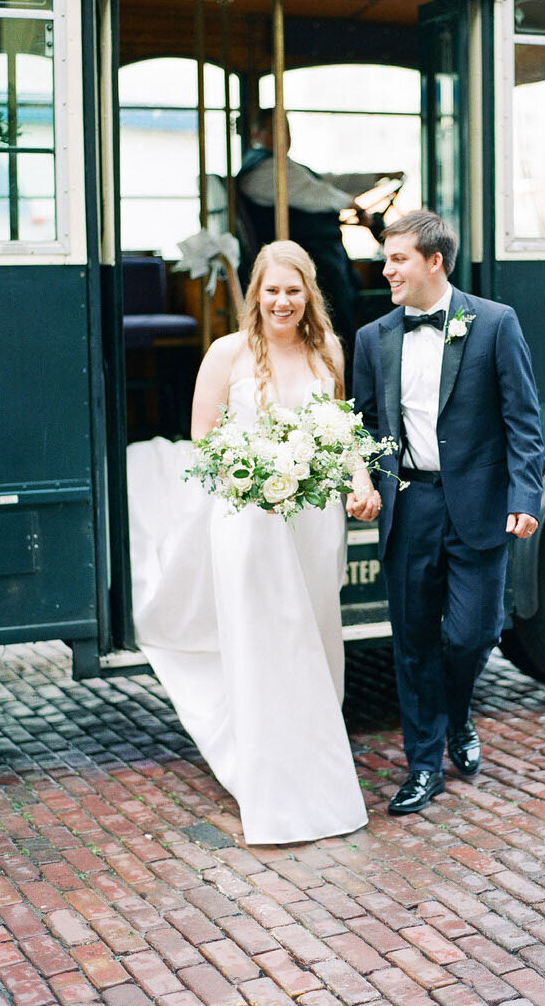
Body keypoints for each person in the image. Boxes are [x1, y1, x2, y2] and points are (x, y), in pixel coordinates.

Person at [126, 240, 368, 844]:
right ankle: (270, 786)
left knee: (313, 636)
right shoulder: (226, 353)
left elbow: (341, 433)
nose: (282, 301)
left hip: (312, 521)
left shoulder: (328, 350)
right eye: (271, 290)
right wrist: (253, 471)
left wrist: (358, 479)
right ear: (255, 295)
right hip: (246, 519)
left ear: (309, 294)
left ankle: (313, 762)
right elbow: (203, 437)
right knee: (263, 642)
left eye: (294, 290)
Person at [347, 210, 544, 815]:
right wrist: (366, 481)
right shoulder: (372, 338)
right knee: (411, 644)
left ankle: (457, 712)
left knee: (472, 634)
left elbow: (523, 424)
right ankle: (424, 765)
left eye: (398, 258)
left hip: (480, 508)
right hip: (409, 507)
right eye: (386, 259)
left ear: (434, 261)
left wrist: (523, 498)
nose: (386, 270)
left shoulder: (494, 324)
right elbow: (368, 426)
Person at [236, 109, 374, 362]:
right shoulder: (264, 171)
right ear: (256, 134)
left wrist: (375, 178)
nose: (285, 138)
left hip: (324, 254)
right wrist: (351, 204)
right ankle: (343, 365)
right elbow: (314, 192)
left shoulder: (284, 166)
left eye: (287, 131)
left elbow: (327, 181)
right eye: (277, 131)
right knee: (337, 315)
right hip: (307, 259)